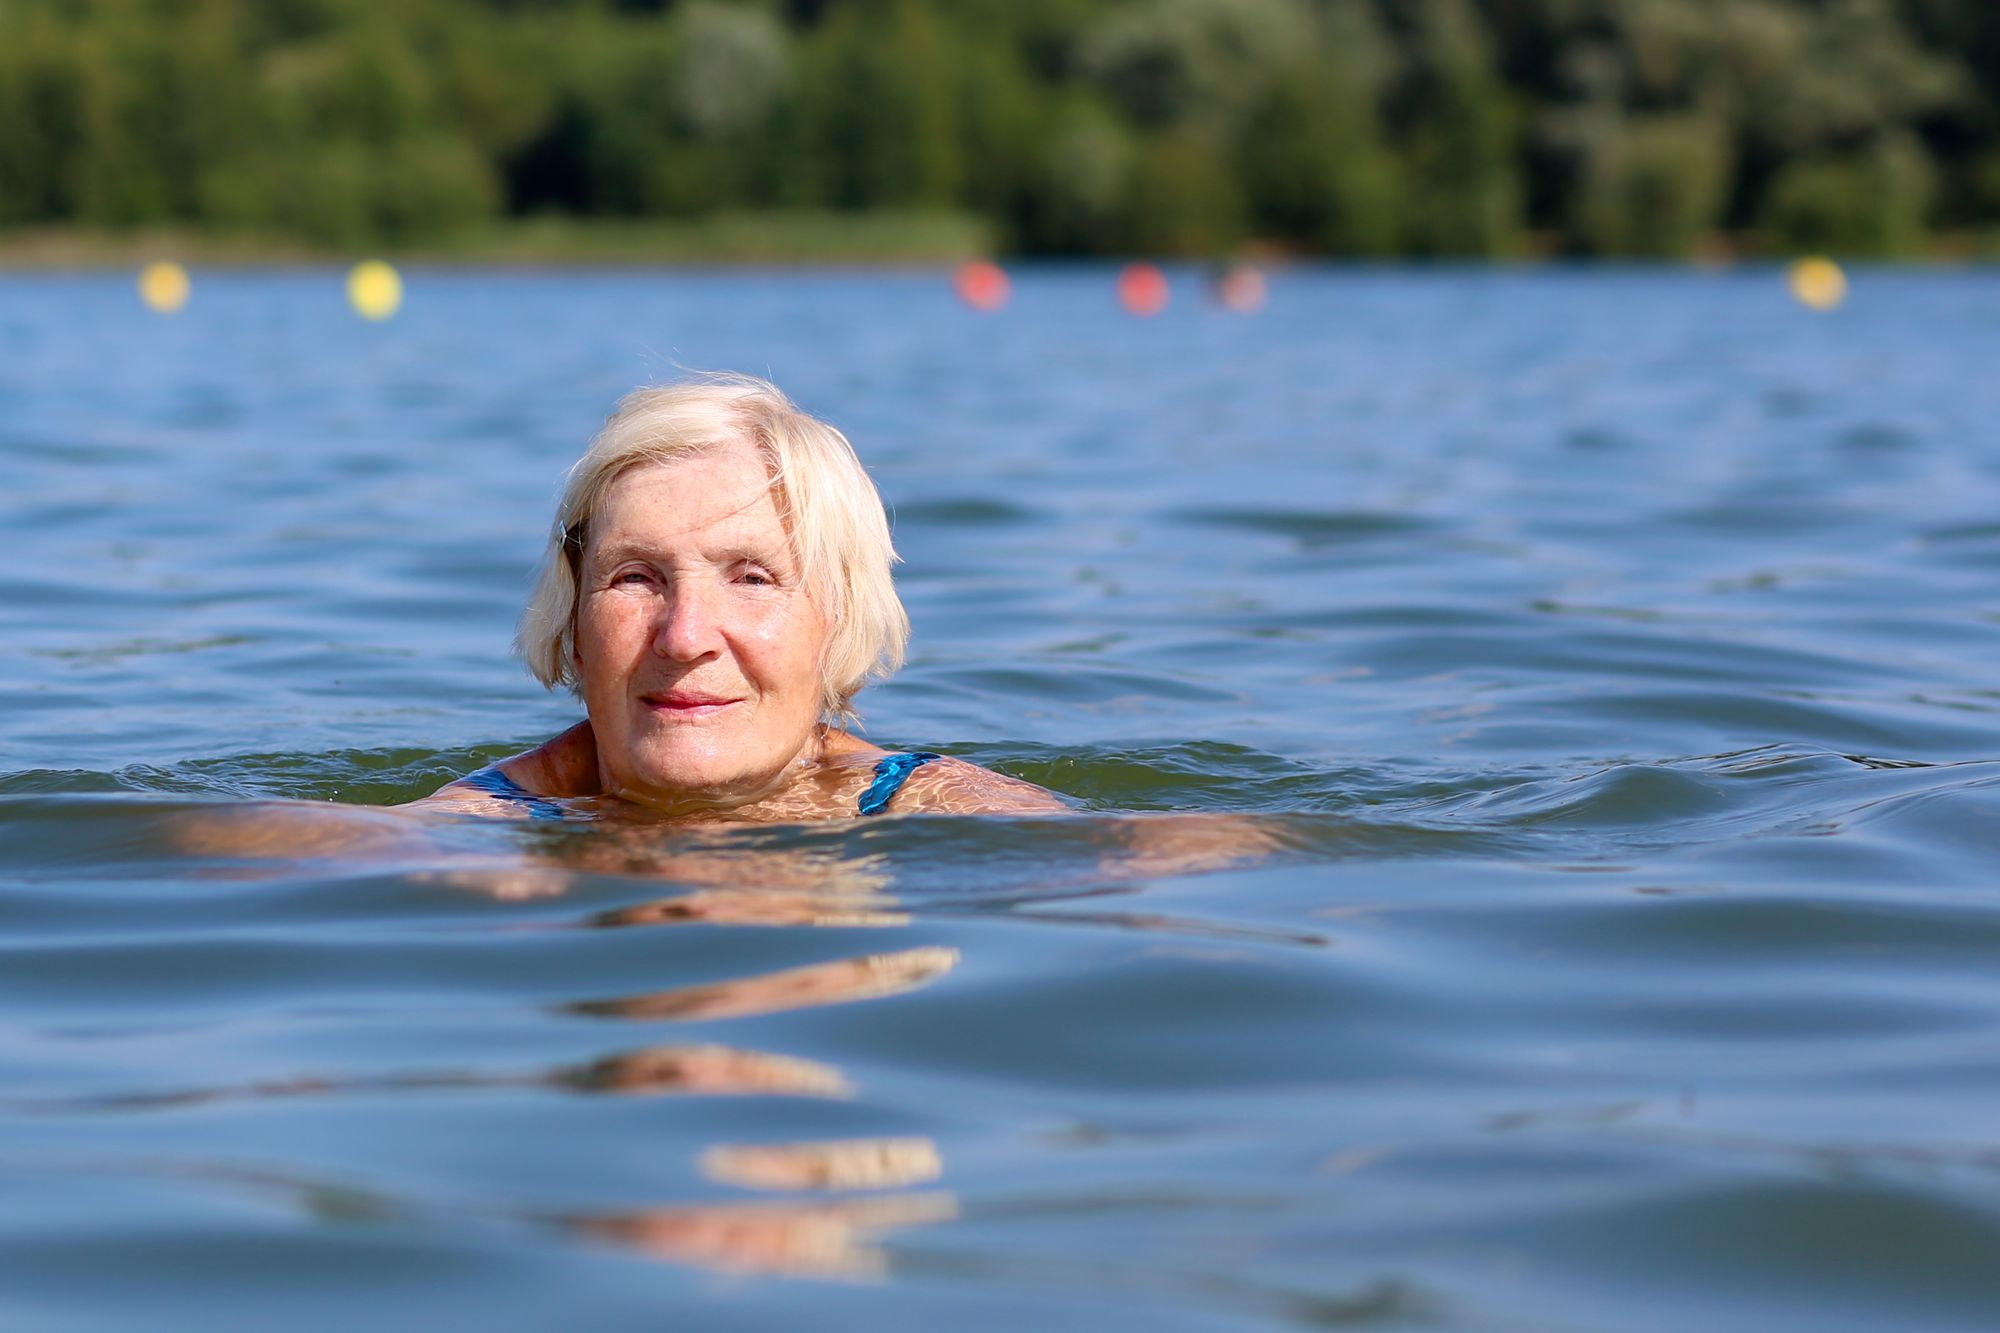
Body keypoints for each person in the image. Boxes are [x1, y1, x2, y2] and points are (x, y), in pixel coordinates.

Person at [412, 373, 1066, 823]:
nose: (684, 637)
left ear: (838, 620)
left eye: (752, 579)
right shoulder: (475, 831)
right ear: (573, 620)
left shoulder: (955, 813)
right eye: (636, 577)